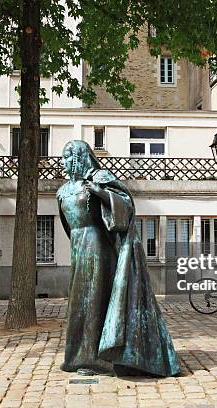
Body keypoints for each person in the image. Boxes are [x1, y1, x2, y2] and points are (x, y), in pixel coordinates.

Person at [56, 140, 181, 377]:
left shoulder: (98, 177)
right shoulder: (63, 190)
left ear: (79, 158)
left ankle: (96, 359)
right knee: (78, 303)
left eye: (66, 157)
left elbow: (125, 206)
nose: (63, 163)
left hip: (97, 247)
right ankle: (77, 356)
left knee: (93, 301)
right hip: (78, 247)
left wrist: (100, 192)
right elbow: (67, 224)